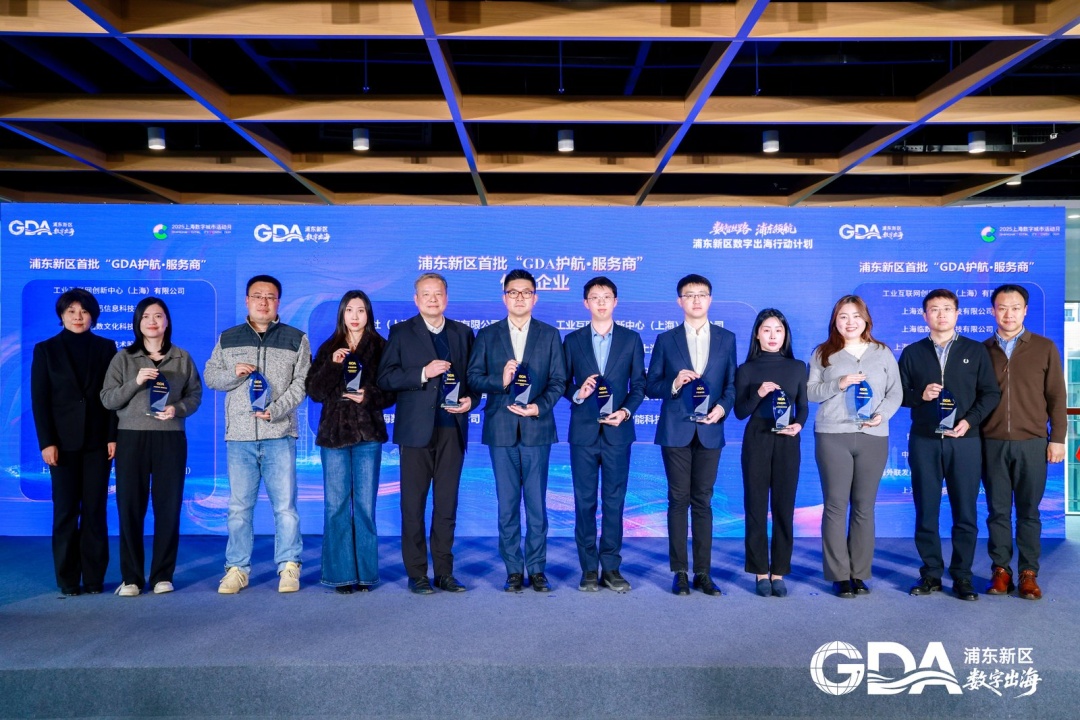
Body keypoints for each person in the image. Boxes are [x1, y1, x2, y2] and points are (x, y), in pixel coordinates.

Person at [204, 275, 311, 594]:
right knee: (239, 508)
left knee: (285, 507)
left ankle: (289, 565)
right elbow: (211, 377)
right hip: (239, 436)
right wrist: (232, 373)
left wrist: (276, 410)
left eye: (270, 297)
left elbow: (302, 383)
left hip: (279, 434)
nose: (263, 302)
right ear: (247, 300)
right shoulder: (229, 338)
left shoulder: (296, 338)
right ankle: (237, 568)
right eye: (257, 296)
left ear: (278, 302)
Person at [377, 274, 478, 594]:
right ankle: (417, 573)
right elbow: (385, 378)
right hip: (415, 432)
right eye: (426, 294)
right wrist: (423, 372)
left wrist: (472, 401)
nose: (433, 299)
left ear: (446, 297)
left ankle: (444, 572)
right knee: (413, 506)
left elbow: (473, 378)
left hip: (452, 430)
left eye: (438, 294)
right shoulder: (401, 332)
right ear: (416, 299)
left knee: (446, 505)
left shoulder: (463, 333)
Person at [467, 269, 567, 593]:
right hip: (501, 430)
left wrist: (539, 406)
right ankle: (513, 569)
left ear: (535, 298)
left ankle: (537, 569)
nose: (520, 297)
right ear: (504, 298)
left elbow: (558, 381)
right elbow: (473, 378)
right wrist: (501, 380)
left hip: (537, 428)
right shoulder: (488, 335)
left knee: (537, 506)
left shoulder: (549, 335)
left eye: (526, 292)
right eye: (513, 292)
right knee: (507, 505)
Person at [899, 288, 999, 601]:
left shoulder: (975, 350)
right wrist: (920, 396)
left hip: (964, 441)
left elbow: (990, 393)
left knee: (965, 511)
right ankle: (930, 573)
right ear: (924, 315)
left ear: (957, 314)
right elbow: (898, 395)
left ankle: (962, 576)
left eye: (947, 308)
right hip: (925, 441)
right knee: (926, 510)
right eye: (934, 309)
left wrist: (969, 421)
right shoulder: (912, 352)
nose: (940, 314)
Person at [100, 297, 203, 596]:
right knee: (130, 506)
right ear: (138, 322)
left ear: (167, 321)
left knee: (168, 507)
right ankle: (131, 578)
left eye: (159, 316)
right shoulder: (124, 358)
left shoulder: (182, 357)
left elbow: (195, 395)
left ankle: (162, 575)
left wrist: (177, 409)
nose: (153, 321)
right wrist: (135, 382)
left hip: (170, 437)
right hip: (131, 437)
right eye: (146, 316)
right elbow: (108, 399)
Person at [645, 274, 736, 597]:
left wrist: (722, 409)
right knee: (677, 500)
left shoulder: (726, 339)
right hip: (676, 430)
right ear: (679, 301)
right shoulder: (666, 340)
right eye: (689, 295)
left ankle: (703, 572)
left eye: (701, 294)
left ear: (710, 299)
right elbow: (651, 385)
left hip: (710, 429)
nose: (696, 300)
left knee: (703, 501)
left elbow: (732, 385)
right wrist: (673, 383)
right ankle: (680, 572)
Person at [807, 296, 902, 598]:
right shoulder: (823, 353)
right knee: (836, 505)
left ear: (866, 319)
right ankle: (839, 575)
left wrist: (881, 414)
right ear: (835, 321)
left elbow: (895, 392)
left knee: (864, 506)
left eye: (856, 316)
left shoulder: (882, 352)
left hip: (873, 436)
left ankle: (859, 573)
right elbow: (810, 392)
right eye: (843, 317)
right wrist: (839, 384)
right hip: (833, 435)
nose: (850, 322)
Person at [980, 284, 1066, 600]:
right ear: (993, 311)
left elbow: (1057, 396)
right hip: (991, 443)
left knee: (1029, 512)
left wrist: (1058, 439)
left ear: (1025, 310)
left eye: (1015, 307)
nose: (1009, 314)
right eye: (1002, 307)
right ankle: (1001, 570)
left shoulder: (1044, 347)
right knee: (998, 511)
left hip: (1033, 442)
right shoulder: (981, 350)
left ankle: (1028, 573)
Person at [307, 291, 395, 594]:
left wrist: (368, 396)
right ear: (342, 314)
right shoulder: (329, 347)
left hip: (368, 435)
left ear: (368, 314)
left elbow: (392, 391)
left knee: (365, 507)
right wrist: (333, 365)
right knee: (336, 506)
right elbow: (314, 391)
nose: (355, 316)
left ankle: (366, 574)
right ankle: (341, 575)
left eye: (361, 310)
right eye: (349, 310)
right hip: (334, 436)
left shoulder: (381, 347)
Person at [31, 288, 118, 596]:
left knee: (95, 510)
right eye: (71, 311)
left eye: (84, 311)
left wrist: (112, 436)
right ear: (62, 315)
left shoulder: (106, 347)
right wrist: (47, 442)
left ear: (93, 315)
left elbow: (112, 397)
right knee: (66, 510)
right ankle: (68, 579)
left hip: (98, 443)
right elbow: (40, 400)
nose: (78, 317)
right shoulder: (45, 350)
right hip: (61, 445)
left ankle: (94, 578)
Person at [562, 276, 646, 592]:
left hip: (617, 432)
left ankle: (611, 567)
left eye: (606, 296)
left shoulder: (631, 339)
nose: (601, 302)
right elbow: (562, 383)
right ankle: (588, 568)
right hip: (583, 433)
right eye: (594, 297)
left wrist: (625, 412)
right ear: (586, 303)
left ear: (615, 301)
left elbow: (639, 385)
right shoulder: (572, 341)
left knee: (614, 501)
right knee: (584, 501)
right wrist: (578, 392)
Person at [734, 309, 808, 598]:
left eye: (778, 330)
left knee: (784, 507)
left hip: (788, 442)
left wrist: (798, 425)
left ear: (785, 334)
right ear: (757, 334)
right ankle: (760, 572)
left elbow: (803, 406)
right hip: (757, 440)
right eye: (767, 330)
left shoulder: (797, 367)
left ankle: (779, 571)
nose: (773, 335)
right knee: (755, 507)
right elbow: (740, 412)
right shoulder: (746, 369)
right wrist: (759, 393)